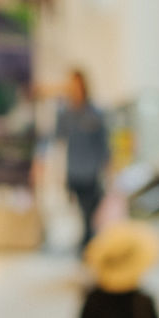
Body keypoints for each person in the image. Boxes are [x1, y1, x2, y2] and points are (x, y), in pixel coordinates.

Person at [54, 69, 111, 253]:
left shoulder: (95, 113)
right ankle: (88, 242)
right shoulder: (66, 113)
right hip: (74, 170)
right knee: (81, 211)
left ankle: (89, 244)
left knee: (90, 211)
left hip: (91, 171)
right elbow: (57, 137)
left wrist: (108, 168)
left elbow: (103, 145)